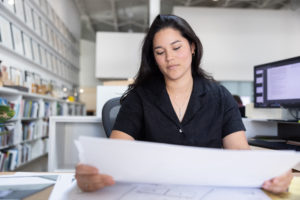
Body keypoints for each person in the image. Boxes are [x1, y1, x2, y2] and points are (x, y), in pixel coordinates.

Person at [76, 14, 293, 193]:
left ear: (192, 47)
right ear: (154, 58)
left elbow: (239, 152)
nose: (169, 58)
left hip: (208, 191)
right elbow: (115, 154)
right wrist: (92, 173)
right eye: (160, 52)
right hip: (151, 193)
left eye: (177, 47)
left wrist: (272, 172)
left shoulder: (220, 96)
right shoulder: (139, 97)